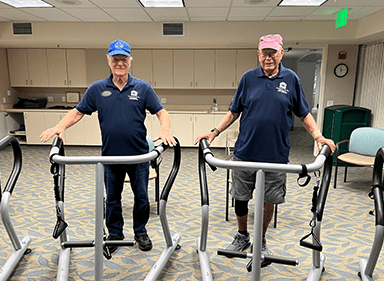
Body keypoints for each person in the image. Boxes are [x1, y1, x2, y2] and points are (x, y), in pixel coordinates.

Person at [194, 34, 335, 267]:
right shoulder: (248, 78)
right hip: (245, 152)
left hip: (276, 154)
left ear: (281, 53)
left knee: (269, 199)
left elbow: (303, 113)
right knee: (240, 197)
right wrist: (214, 132)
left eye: (273, 52)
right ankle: (242, 236)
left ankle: (261, 239)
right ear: (258, 54)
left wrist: (318, 136)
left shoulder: (291, 79)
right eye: (264, 52)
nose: (268, 57)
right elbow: (234, 111)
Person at [40, 39, 176, 253]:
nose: (119, 63)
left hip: (139, 156)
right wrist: (60, 126)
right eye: (115, 59)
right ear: (109, 61)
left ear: (130, 61)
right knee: (112, 198)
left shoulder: (142, 87)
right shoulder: (97, 88)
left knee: (141, 196)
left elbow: (162, 112)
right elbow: (78, 112)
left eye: (123, 59)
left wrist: (165, 130)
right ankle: (115, 234)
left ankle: (140, 231)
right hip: (110, 156)